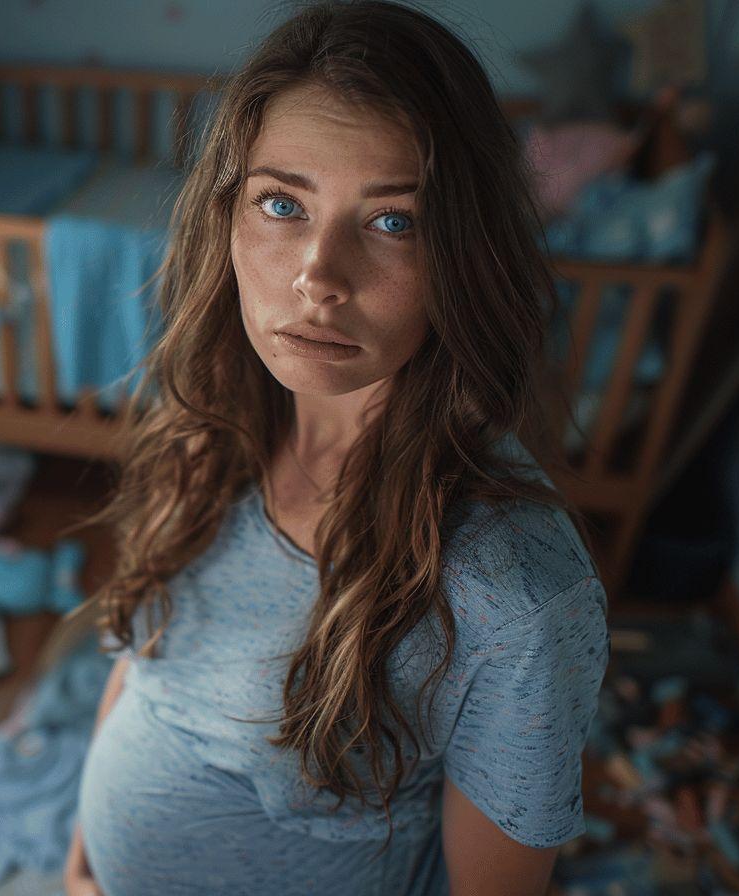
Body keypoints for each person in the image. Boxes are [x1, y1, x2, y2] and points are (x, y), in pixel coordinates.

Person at [50, 1, 612, 893]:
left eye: (393, 220)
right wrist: (81, 865)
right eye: (283, 204)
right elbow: (145, 669)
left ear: (463, 257)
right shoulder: (208, 423)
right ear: (227, 222)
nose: (318, 276)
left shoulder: (516, 597)